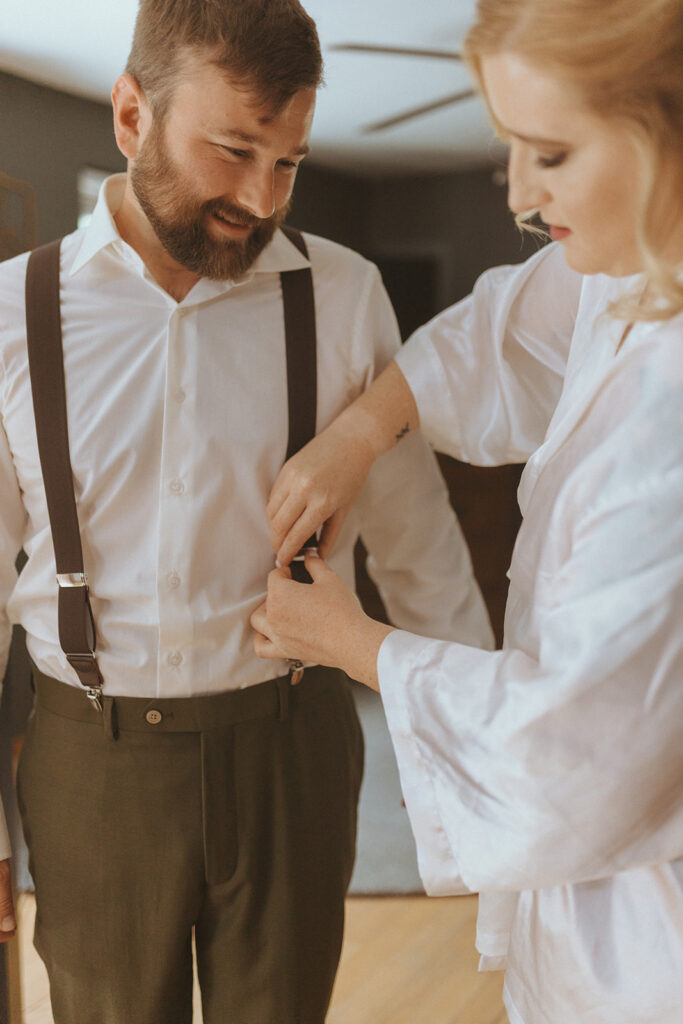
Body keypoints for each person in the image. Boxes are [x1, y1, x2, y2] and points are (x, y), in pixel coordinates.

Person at [0, 1, 494, 1021]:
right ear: (132, 115)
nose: (260, 196)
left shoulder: (345, 294)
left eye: (289, 161)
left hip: (293, 743)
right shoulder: (14, 314)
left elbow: (418, 549)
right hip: (90, 759)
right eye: (232, 150)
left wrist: (475, 770)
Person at [251, 0, 683, 1021]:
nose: (520, 197)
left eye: (550, 154)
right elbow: (493, 333)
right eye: (508, 150)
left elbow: (568, 749)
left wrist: (357, 645)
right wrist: (357, 433)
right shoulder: (625, 277)